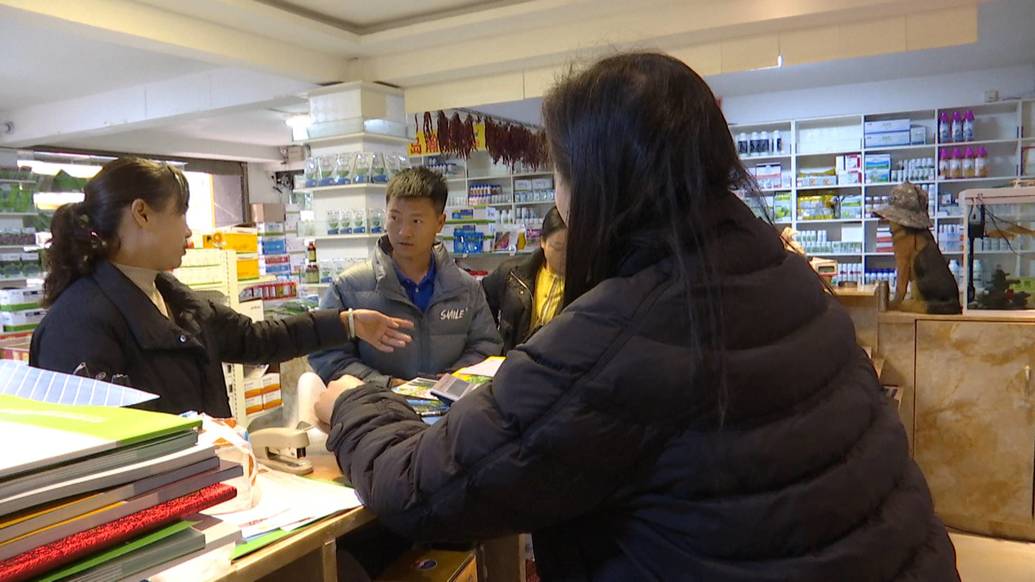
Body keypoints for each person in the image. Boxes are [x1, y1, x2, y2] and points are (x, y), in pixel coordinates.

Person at [316, 54, 958, 580]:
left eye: (561, 175)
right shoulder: (784, 275)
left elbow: (424, 490)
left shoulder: (620, 328)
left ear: (599, 183)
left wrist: (351, 402)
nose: (560, 203)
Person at [30, 157, 413, 417]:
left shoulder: (171, 297)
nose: (188, 231)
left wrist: (345, 323)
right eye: (181, 214)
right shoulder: (76, 324)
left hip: (205, 485)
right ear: (141, 213)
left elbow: (254, 339)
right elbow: (99, 444)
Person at [307, 167, 501, 390]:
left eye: (416, 221)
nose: (403, 232)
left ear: (440, 222)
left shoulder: (465, 288)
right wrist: (388, 385)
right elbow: (326, 355)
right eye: (395, 218)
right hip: (377, 406)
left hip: (450, 406)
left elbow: (486, 346)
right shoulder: (349, 287)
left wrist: (453, 379)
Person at [481, 207, 566, 352]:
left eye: (572, 248)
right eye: (558, 248)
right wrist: (491, 343)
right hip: (511, 359)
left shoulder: (587, 285)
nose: (565, 256)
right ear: (542, 242)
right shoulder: (513, 273)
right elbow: (483, 298)